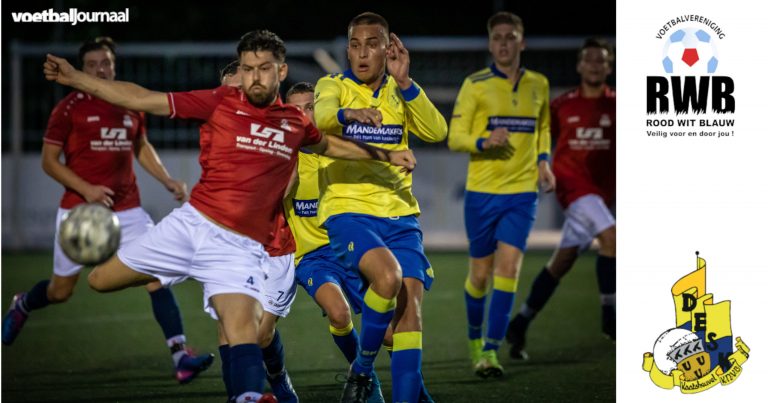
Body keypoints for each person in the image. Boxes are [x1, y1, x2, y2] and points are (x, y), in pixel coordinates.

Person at [42, 30, 415, 403]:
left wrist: (385, 154)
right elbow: (142, 98)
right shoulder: (220, 102)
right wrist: (75, 78)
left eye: (263, 68)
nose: (254, 77)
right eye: (248, 68)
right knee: (98, 280)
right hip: (190, 227)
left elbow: (330, 143)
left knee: (245, 333)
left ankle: (255, 396)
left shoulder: (293, 123)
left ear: (280, 72)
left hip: (237, 249)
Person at [2, 37, 214, 384]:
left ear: (114, 66)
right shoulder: (68, 108)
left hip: (128, 210)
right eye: (93, 65)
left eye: (107, 63)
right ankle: (24, 303)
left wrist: (166, 179)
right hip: (79, 213)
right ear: (82, 69)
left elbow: (141, 145)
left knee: (155, 276)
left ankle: (180, 355)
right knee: (61, 291)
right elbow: (48, 162)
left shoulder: (130, 102)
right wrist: (86, 189)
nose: (101, 69)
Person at [314, 12, 447, 403]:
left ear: (388, 48)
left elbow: (437, 131)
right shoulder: (333, 85)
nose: (361, 53)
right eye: (355, 44)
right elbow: (320, 118)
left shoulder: (398, 92)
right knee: (387, 278)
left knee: (409, 317)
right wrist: (348, 115)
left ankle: (384, 385)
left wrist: (405, 82)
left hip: (401, 215)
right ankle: (363, 369)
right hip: (349, 209)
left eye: (371, 44)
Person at [447, 11, 556, 378]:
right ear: (491, 44)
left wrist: (543, 162)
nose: (504, 43)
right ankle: (475, 340)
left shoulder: (539, 84)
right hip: (482, 193)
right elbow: (454, 138)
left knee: (508, 270)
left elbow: (542, 127)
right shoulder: (475, 84)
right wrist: (483, 140)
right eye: (498, 38)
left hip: (522, 193)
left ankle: (490, 352)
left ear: (521, 42)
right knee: (480, 276)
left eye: (511, 37)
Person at [506, 38, 616, 359]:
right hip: (572, 188)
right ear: (580, 65)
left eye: (601, 60)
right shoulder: (562, 104)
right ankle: (612, 319)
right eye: (590, 60)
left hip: (603, 195)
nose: (595, 65)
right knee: (611, 240)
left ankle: (520, 323)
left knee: (562, 262)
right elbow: (539, 139)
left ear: (609, 67)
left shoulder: (620, 104)